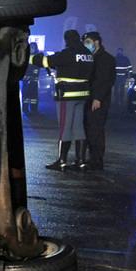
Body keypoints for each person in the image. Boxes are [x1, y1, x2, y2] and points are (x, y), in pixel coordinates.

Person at [31, 29, 94, 170]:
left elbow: (46, 61)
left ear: (67, 39)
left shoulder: (68, 53)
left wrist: (33, 57)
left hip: (67, 96)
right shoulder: (88, 54)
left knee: (65, 127)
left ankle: (61, 161)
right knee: (79, 127)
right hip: (83, 95)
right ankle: (81, 161)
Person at [81, 31, 115, 172]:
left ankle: (96, 161)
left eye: (88, 42)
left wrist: (98, 98)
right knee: (89, 129)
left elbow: (105, 81)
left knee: (96, 130)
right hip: (88, 99)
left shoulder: (106, 59)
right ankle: (91, 158)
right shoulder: (90, 57)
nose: (86, 45)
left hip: (98, 101)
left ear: (96, 42)